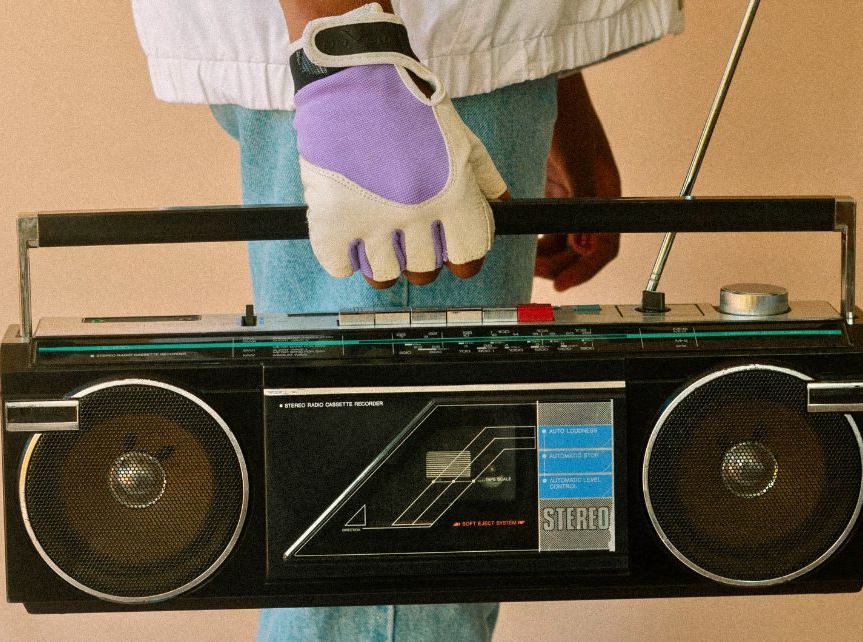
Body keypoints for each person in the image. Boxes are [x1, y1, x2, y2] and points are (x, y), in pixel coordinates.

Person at [131, 1, 683, 639]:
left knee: (426, 546)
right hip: (393, 67)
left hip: (438, 55)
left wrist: (556, 78)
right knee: (393, 559)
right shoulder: (369, 68)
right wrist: (351, 60)